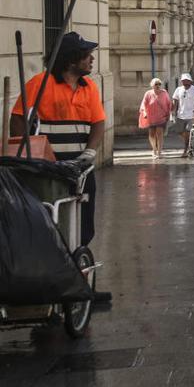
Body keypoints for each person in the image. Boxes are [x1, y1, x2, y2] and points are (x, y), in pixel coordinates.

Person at [9, 31, 112, 301]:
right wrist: (27, 151)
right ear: (70, 60)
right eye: (86, 55)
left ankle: (79, 283)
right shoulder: (39, 84)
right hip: (47, 172)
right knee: (50, 224)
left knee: (83, 226)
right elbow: (18, 118)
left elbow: (98, 122)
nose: (91, 59)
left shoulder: (89, 88)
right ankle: (53, 283)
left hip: (80, 169)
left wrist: (90, 151)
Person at [171, 73, 194, 157]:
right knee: (180, 131)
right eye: (183, 80)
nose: (185, 81)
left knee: (188, 132)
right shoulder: (178, 89)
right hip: (180, 114)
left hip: (192, 115)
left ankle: (186, 149)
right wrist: (173, 110)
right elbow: (175, 100)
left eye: (187, 80)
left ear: (190, 81)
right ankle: (191, 143)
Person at [139, 78, 172, 159]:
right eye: (156, 84)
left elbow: (169, 103)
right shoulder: (148, 93)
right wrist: (144, 112)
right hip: (151, 117)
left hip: (161, 116)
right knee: (152, 134)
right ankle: (154, 150)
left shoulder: (164, 93)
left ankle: (159, 152)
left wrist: (170, 113)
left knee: (159, 134)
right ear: (152, 85)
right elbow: (144, 103)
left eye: (159, 84)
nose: (158, 86)